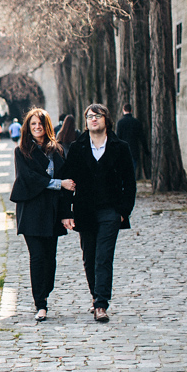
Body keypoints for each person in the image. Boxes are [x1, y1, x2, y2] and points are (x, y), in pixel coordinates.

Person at [60, 103, 136, 323]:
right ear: (85, 122)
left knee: (103, 257)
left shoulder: (120, 147)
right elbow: (68, 181)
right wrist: (67, 212)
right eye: (90, 116)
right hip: (84, 210)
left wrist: (123, 211)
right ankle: (95, 297)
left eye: (98, 116)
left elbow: (129, 182)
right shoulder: (77, 148)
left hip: (110, 211)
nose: (93, 119)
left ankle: (101, 304)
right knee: (89, 257)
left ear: (106, 120)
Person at [10, 108, 74, 322]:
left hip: (53, 211)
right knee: (37, 257)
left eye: (40, 124)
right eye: (33, 124)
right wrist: (57, 183)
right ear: (28, 128)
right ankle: (41, 304)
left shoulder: (57, 150)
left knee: (50, 258)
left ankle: (46, 291)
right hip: (32, 211)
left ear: (46, 126)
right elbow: (28, 178)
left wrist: (67, 214)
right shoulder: (22, 151)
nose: (37, 127)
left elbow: (67, 183)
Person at [116, 104, 148, 180]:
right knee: (132, 168)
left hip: (123, 150)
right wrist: (146, 150)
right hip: (134, 148)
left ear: (123, 110)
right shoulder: (136, 122)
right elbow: (142, 137)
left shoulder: (120, 123)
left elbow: (118, 137)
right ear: (131, 110)